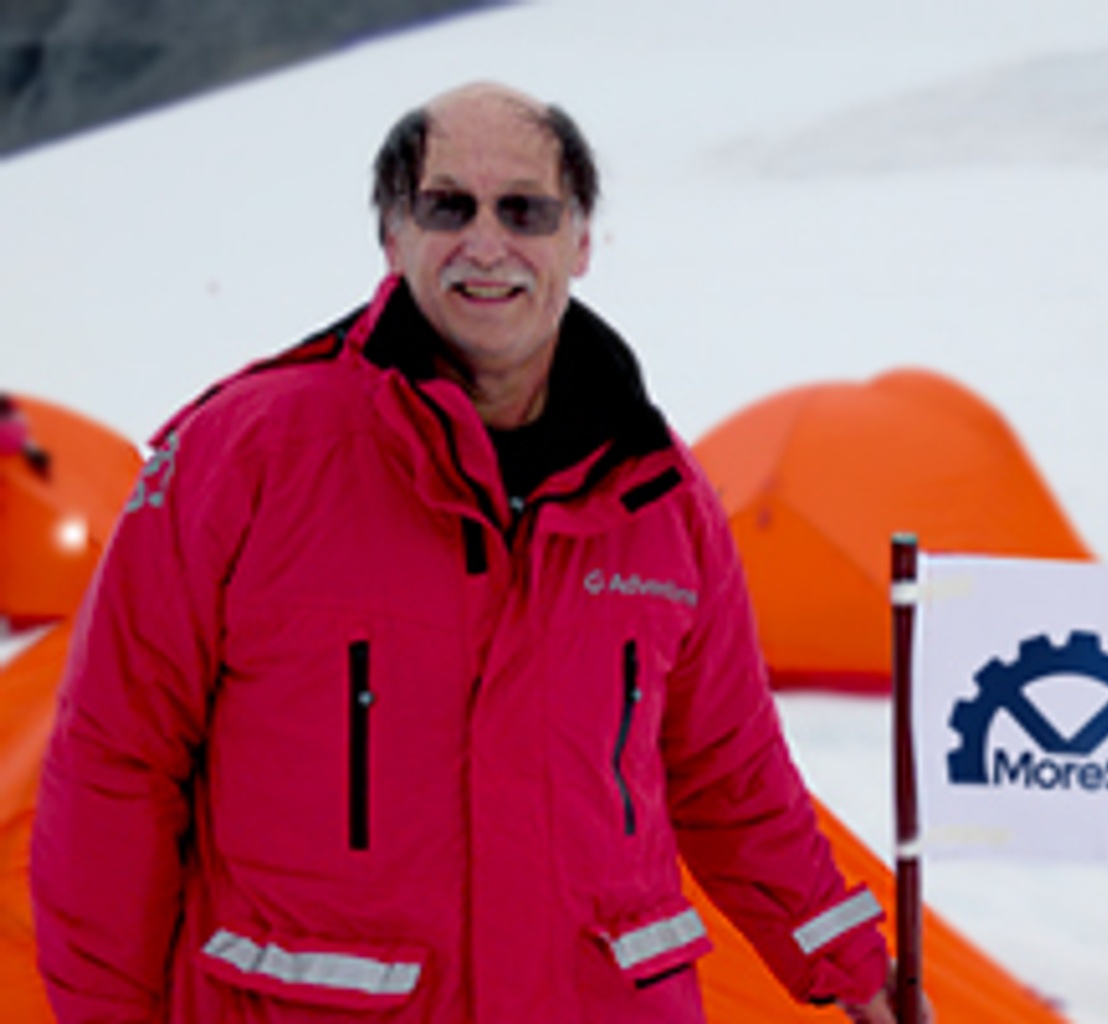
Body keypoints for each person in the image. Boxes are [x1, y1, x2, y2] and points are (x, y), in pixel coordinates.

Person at [31, 82, 916, 1022]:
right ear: (393, 235)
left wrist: (854, 965)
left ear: (580, 242)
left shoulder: (660, 497)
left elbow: (731, 776)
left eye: (525, 210)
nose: (486, 244)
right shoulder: (239, 459)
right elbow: (115, 766)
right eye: (447, 206)